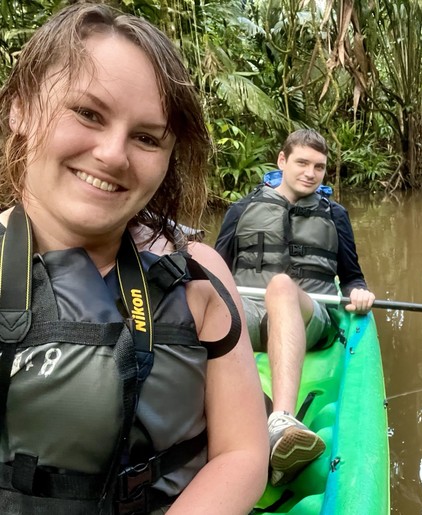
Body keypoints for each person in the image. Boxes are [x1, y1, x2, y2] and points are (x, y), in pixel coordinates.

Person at [0, 3, 268, 513]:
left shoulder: (200, 277)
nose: (113, 153)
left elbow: (241, 454)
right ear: (20, 107)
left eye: (146, 138)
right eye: (87, 113)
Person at [214, 129, 375, 486]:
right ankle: (248, 411)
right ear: (282, 161)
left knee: (282, 286)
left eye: (319, 167)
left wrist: (359, 292)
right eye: (302, 163)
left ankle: (281, 421)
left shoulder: (335, 215)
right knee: (198, 302)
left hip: (309, 316)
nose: (310, 173)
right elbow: (216, 273)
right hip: (251, 314)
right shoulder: (242, 209)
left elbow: (352, 277)